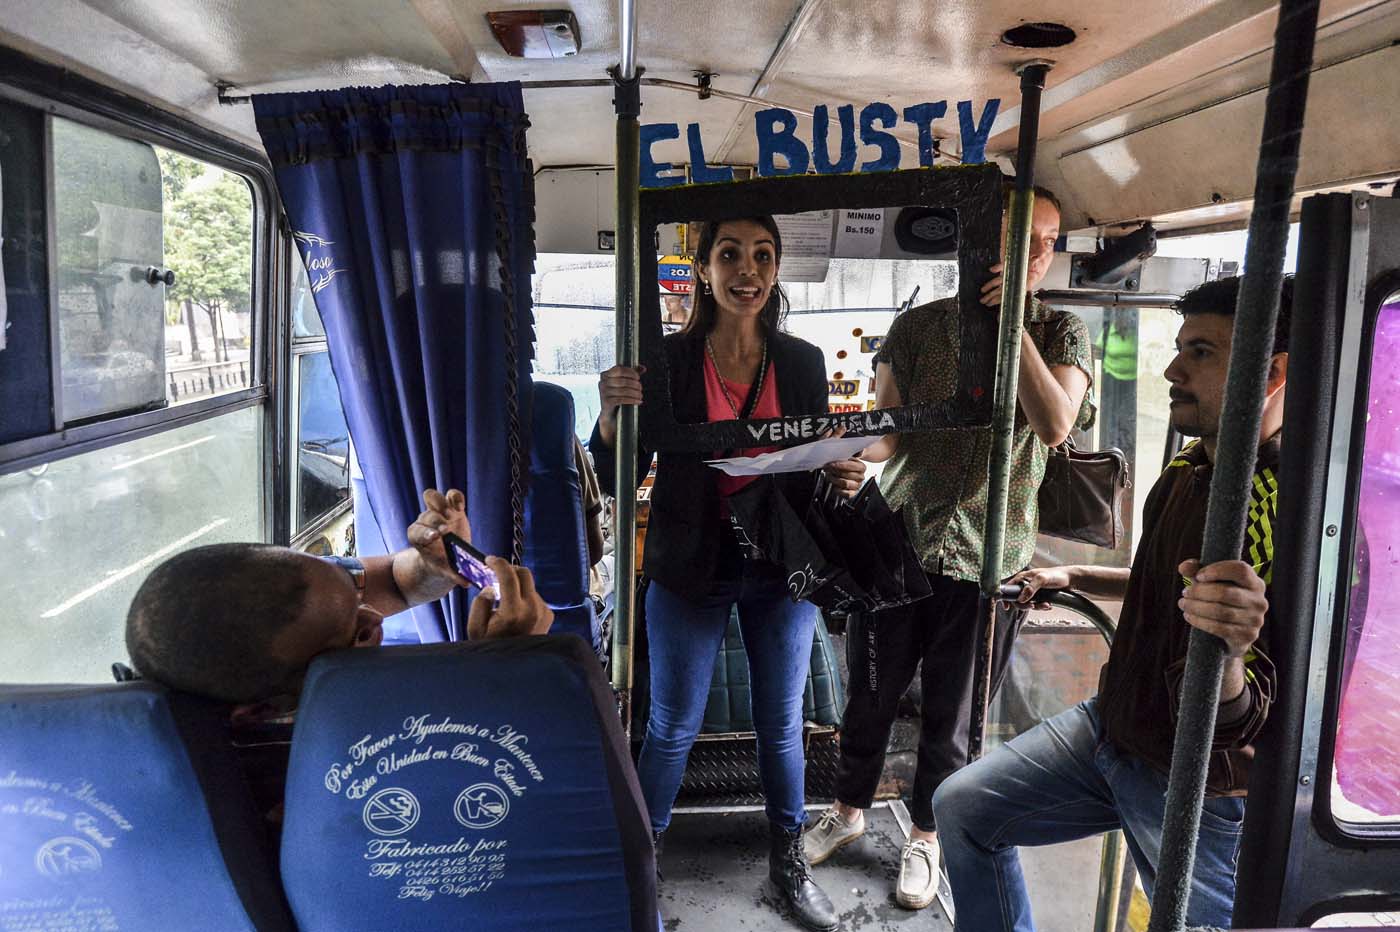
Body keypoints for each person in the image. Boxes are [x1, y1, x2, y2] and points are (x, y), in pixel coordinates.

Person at [931, 275, 1290, 931]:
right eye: (1180, 346)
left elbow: (1248, 714)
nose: (1172, 369)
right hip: (1117, 727)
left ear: (1270, 373)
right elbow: (1169, 582)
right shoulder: (1191, 467)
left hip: (1196, 784)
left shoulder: (1281, 509)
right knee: (964, 807)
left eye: (1202, 353)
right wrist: (1078, 576)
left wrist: (1232, 655)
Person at [804, 183, 1094, 911]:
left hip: (988, 558)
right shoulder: (917, 328)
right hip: (897, 540)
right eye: (1018, 236)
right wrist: (855, 454)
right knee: (868, 692)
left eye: (1048, 241)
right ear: (977, 240)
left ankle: (928, 834)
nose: (1034, 254)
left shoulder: (1060, 334)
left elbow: (1055, 424)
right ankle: (848, 810)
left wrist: (1010, 331)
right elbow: (891, 428)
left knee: (952, 715)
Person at [591, 216, 864, 932]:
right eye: (731, 254)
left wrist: (839, 466)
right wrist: (613, 413)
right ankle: (641, 866)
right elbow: (620, 468)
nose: (748, 269)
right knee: (673, 725)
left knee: (781, 726)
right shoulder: (668, 363)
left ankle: (788, 864)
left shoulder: (802, 362)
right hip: (689, 562)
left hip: (782, 565)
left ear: (775, 271)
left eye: (763, 255)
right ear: (705, 268)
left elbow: (811, 467)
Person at [124, 488, 554, 825]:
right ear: (260, 712)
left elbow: (398, 582)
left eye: (353, 591)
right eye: (357, 632)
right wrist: (508, 672)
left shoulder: (294, 610)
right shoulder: (305, 795)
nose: (374, 617)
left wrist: (432, 566)